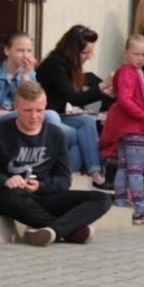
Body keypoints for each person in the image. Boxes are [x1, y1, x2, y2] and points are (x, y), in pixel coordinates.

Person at [0, 81, 112, 245]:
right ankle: (69, 231)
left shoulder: (55, 134)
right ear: (16, 107)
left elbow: (64, 179)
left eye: (39, 110)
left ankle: (52, 231)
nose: (34, 116)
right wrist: (6, 180)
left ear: (45, 107)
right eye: (28, 111)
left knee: (102, 199)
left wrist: (41, 186)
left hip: (45, 195)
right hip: (13, 195)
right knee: (9, 199)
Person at [35, 25, 108, 186]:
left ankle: (94, 170)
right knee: (78, 137)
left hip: (59, 113)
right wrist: (102, 87)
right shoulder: (56, 64)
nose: (88, 57)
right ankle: (70, 177)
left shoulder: (69, 65)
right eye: (85, 53)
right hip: (46, 115)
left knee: (87, 121)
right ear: (73, 51)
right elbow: (74, 97)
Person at [102, 35, 144, 225]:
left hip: (127, 128)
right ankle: (140, 209)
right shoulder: (128, 73)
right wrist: (142, 115)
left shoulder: (129, 72)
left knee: (124, 167)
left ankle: (121, 203)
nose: (140, 58)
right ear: (126, 53)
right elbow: (125, 99)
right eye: (136, 54)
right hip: (134, 128)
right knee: (135, 170)